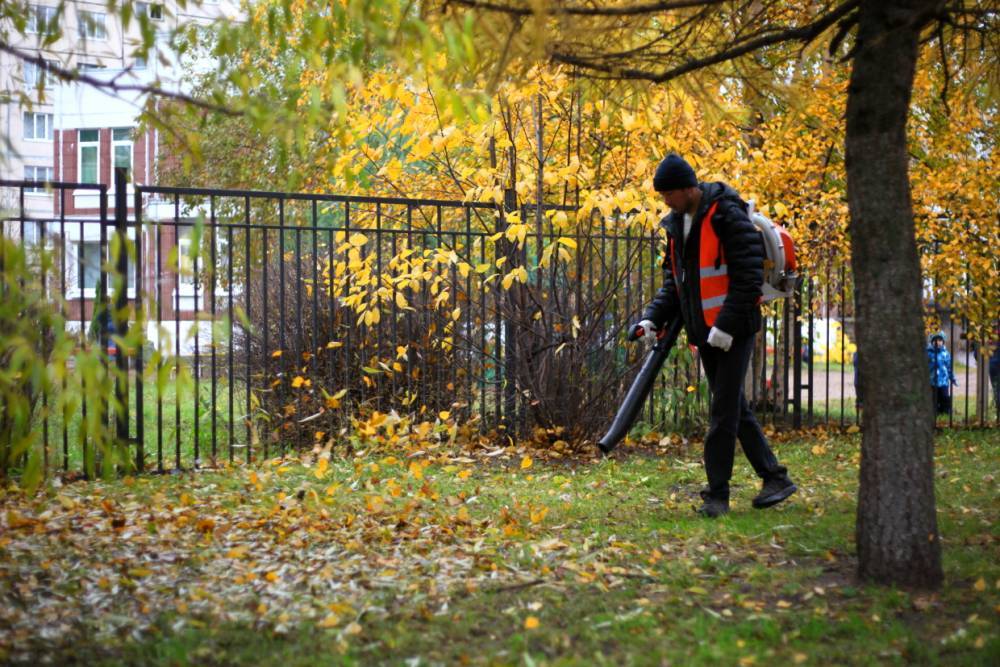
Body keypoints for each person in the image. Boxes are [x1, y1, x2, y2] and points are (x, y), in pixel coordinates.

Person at [629, 154, 796, 518]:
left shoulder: (727, 215)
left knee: (722, 414)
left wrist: (726, 325)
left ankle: (716, 496)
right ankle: (775, 477)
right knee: (734, 407)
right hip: (706, 332)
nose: (666, 202)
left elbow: (749, 277)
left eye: (669, 194)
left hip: (733, 330)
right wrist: (651, 320)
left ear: (688, 188)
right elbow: (676, 284)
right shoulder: (678, 226)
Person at [926, 332, 956, 416]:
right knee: (934, 397)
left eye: (939, 340)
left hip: (943, 380)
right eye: (935, 340)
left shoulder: (945, 353)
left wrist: (952, 377)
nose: (937, 342)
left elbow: (949, 366)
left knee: (944, 396)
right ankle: (935, 411)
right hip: (932, 380)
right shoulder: (928, 353)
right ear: (931, 342)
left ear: (943, 342)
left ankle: (946, 410)